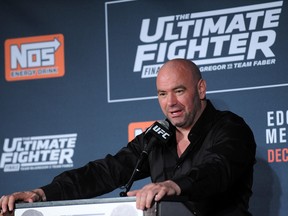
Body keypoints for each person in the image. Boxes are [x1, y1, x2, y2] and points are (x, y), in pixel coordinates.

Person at [0, 59, 256, 216]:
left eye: (179, 91)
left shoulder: (231, 128)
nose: (171, 103)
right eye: (162, 94)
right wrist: (43, 194)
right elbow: (106, 171)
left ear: (201, 89)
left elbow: (216, 170)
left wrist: (173, 185)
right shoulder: (158, 135)